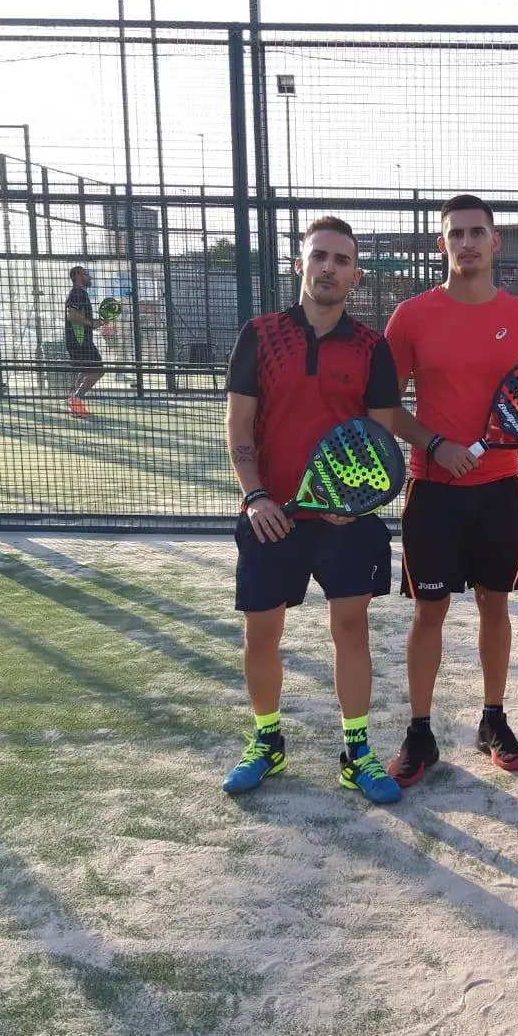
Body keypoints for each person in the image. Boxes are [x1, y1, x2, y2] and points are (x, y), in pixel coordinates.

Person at [220, 216, 405, 805]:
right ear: (300, 265)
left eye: (341, 260)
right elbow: (239, 425)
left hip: (345, 524)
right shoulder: (260, 333)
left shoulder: (373, 348)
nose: (329, 267)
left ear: (355, 274)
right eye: (319, 256)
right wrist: (255, 497)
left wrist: (353, 502)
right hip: (271, 517)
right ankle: (266, 741)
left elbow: (376, 440)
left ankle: (356, 752)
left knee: (351, 630)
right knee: (261, 635)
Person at [381, 195, 518, 787]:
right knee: (431, 611)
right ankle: (420, 731)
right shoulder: (410, 317)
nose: (468, 243)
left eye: (478, 232)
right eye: (457, 234)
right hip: (433, 490)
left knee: (493, 604)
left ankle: (493, 720)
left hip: (500, 488)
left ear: (495, 241)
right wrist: (435, 445)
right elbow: (386, 407)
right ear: (442, 244)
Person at [63, 266, 111, 418]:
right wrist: (91, 324)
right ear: (77, 275)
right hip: (80, 341)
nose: (89, 276)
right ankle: (75, 399)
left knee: (86, 371)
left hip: (80, 340)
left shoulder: (82, 294)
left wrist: (95, 322)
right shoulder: (77, 293)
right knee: (98, 370)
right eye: (86, 274)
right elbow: (71, 315)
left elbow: (80, 317)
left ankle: (73, 402)